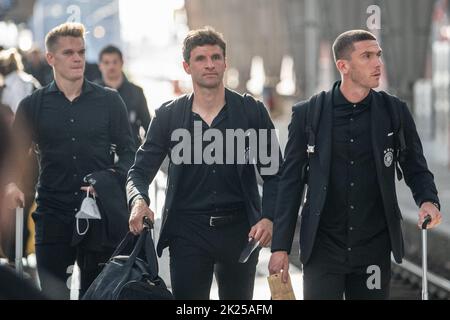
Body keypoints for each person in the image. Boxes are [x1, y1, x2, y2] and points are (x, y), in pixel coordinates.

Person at [269, 30, 442, 300]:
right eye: (367, 56)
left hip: (373, 246)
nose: (377, 63)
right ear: (343, 66)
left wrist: (428, 199)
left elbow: (415, 166)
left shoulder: (394, 111)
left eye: (378, 55)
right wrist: (279, 247)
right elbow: (290, 182)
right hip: (322, 248)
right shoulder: (308, 114)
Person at [126, 27, 281, 300]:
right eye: (200, 58)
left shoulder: (251, 112)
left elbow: (275, 173)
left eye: (216, 57)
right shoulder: (168, 116)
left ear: (225, 62)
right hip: (187, 231)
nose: (210, 64)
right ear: (187, 66)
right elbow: (139, 171)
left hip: (240, 231)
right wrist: (138, 201)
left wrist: (269, 217)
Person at [4, 22, 135, 299]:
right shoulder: (33, 105)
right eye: (68, 53)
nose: (78, 58)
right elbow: (13, 158)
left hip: (100, 217)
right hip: (52, 215)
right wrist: (12, 184)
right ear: (51, 58)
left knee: (98, 294)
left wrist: (111, 179)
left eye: (81, 51)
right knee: (52, 295)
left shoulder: (110, 101)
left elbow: (129, 151)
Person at [97, 45, 151, 147]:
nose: (111, 66)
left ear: (122, 63)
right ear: (100, 65)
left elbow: (148, 126)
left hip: (131, 154)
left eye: (115, 62)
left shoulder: (137, 92)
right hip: (99, 156)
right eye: (106, 62)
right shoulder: (92, 92)